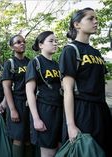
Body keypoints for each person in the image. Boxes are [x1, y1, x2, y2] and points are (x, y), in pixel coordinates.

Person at [59, 7, 112, 157]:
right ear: (77, 24)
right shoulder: (70, 50)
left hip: (101, 110)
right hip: (82, 110)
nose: (95, 22)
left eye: (96, 19)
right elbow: (68, 90)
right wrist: (71, 125)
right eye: (90, 18)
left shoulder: (97, 53)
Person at [26, 31, 63, 157]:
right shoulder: (36, 62)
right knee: (48, 151)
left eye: (56, 41)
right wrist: (36, 118)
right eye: (51, 41)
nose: (55, 43)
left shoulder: (57, 64)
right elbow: (30, 92)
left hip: (59, 109)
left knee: (58, 147)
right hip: (45, 110)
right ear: (41, 45)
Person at [1, 35, 32, 157]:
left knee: (29, 137)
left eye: (23, 42)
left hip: (30, 103)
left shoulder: (30, 62)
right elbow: (7, 88)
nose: (22, 44)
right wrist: (13, 110)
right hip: (17, 103)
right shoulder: (10, 63)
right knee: (18, 137)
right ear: (12, 47)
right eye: (18, 42)